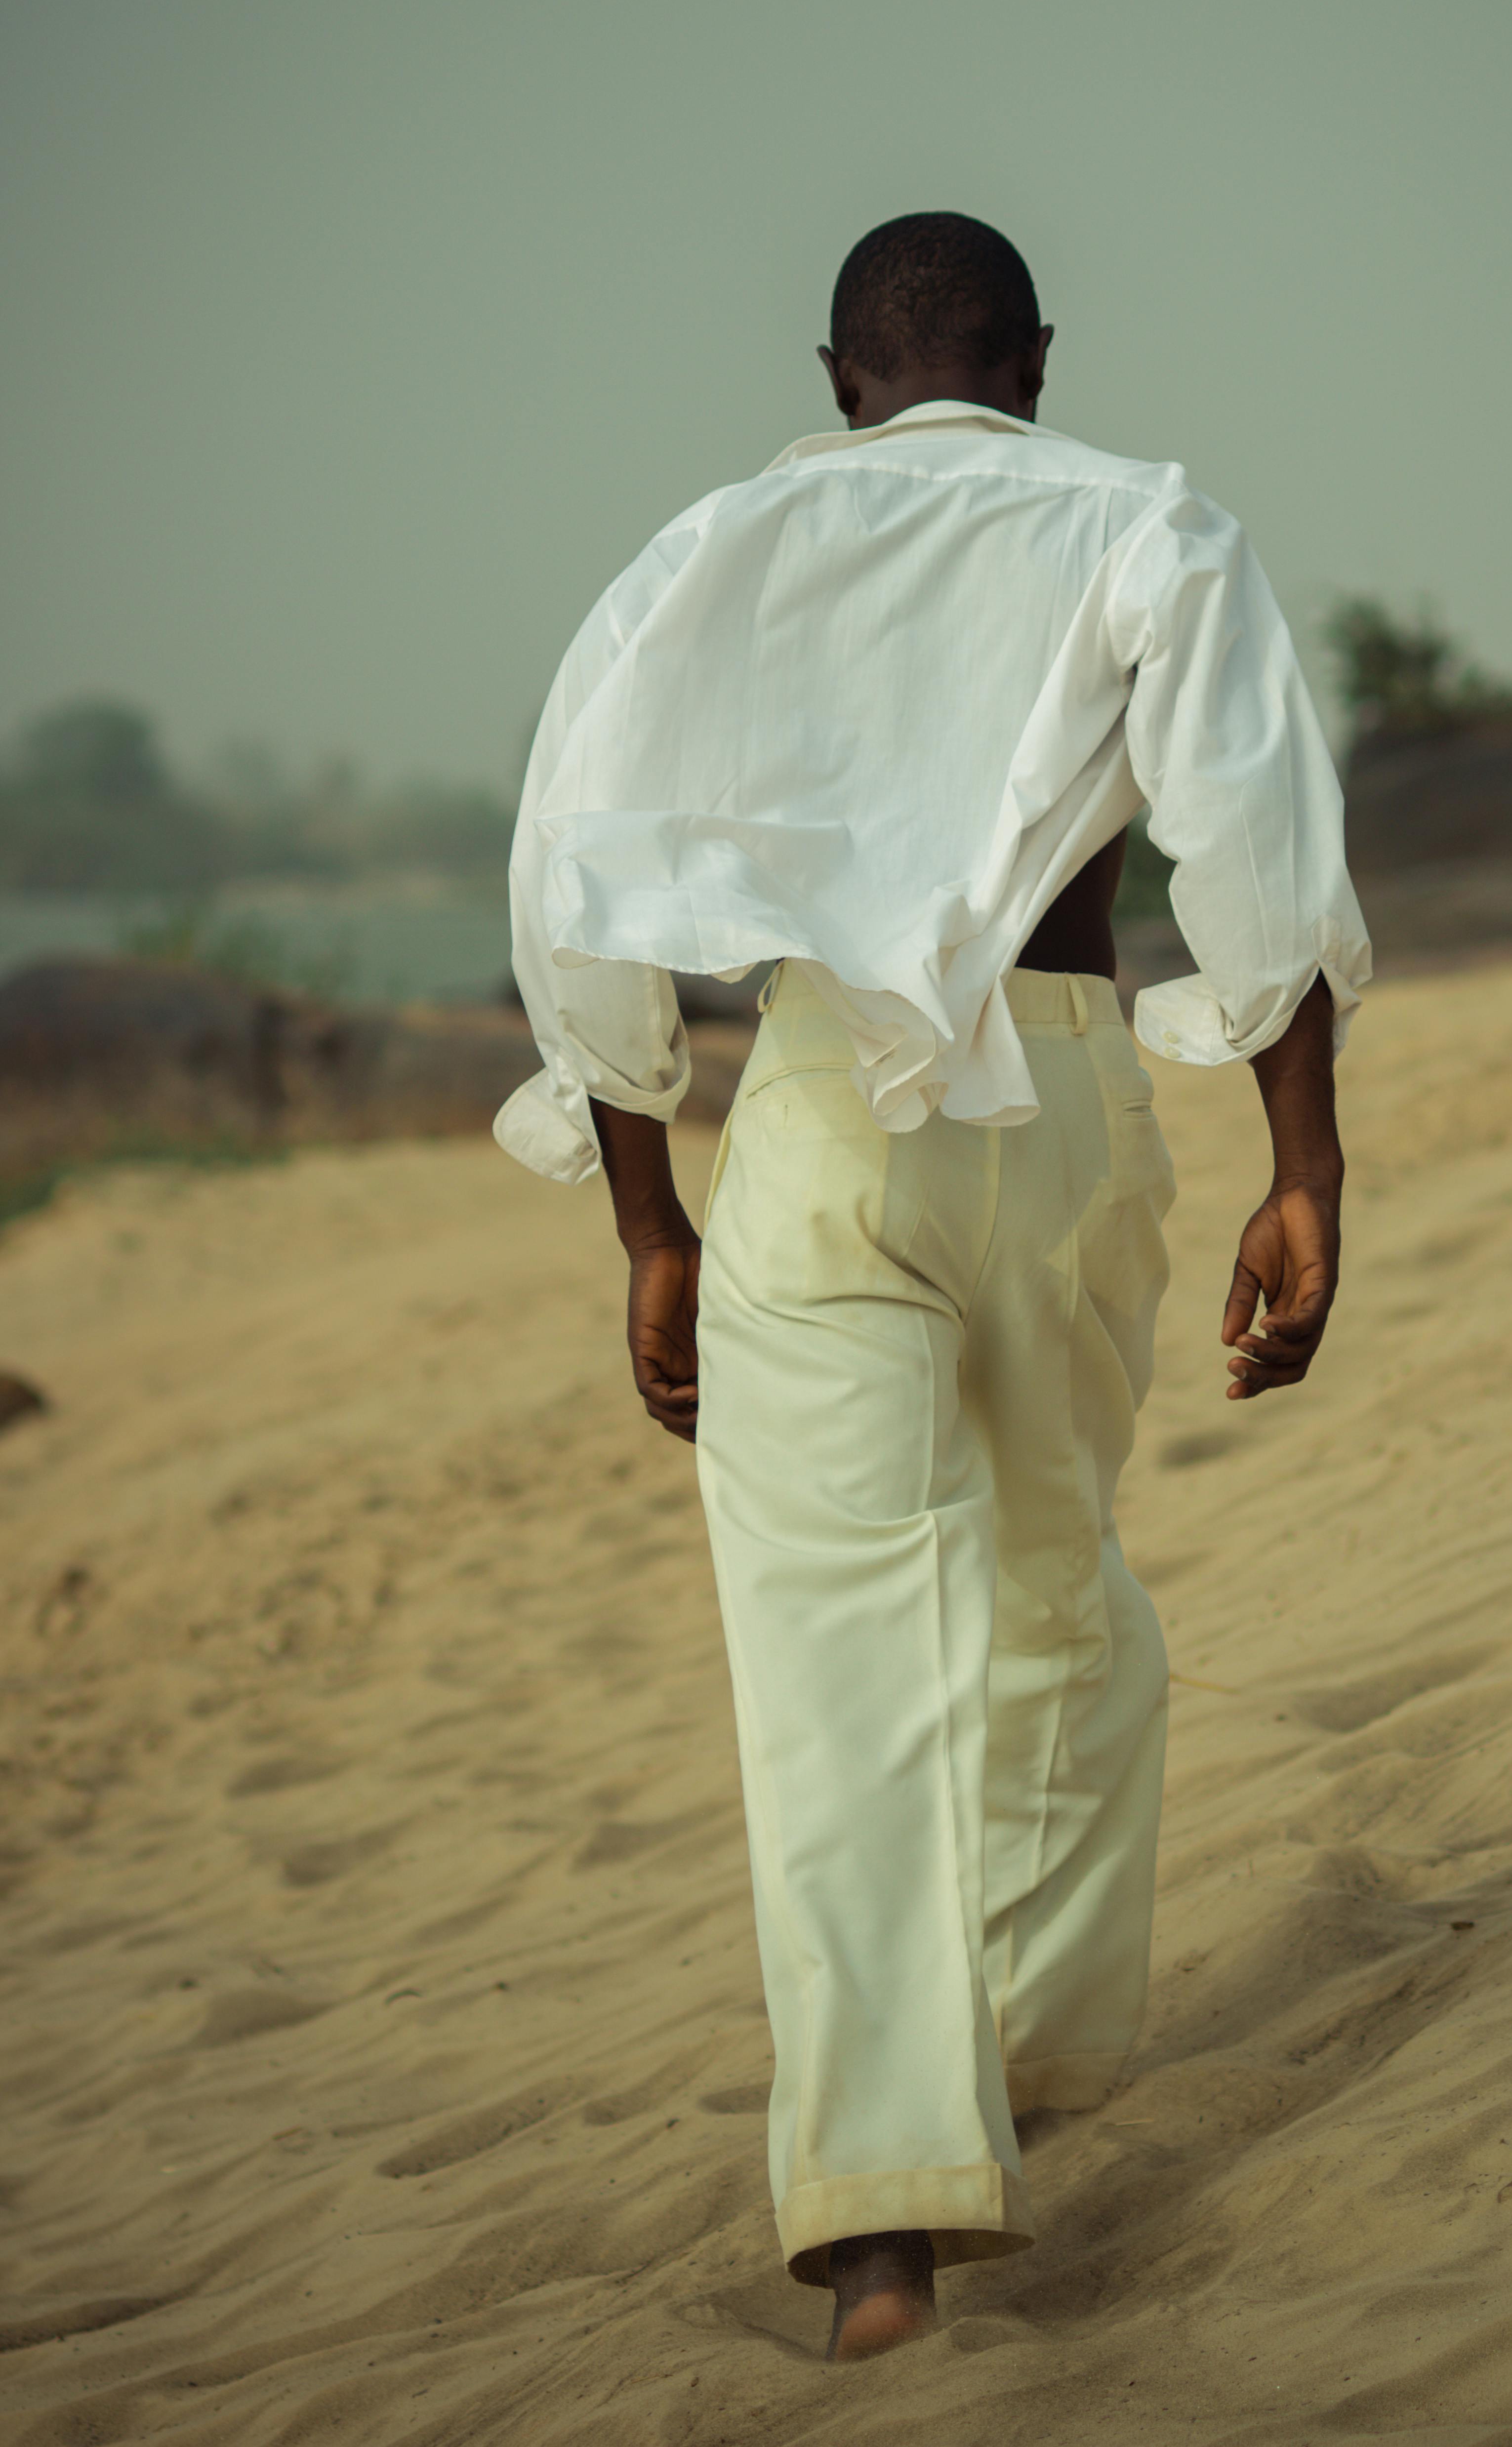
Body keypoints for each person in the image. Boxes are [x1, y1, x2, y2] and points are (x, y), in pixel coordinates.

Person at [497, 212, 1369, 2360]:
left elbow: (572, 893)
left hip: (809, 1119)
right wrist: (1307, 1165)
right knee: (1061, 1585)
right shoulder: (1152, 524)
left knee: (836, 1660)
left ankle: (886, 2218)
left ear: (838, 373)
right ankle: (1036, 2056)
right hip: (1069, 1106)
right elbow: (1254, 847)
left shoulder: (700, 557)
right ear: (1037, 360)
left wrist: (645, 1218)